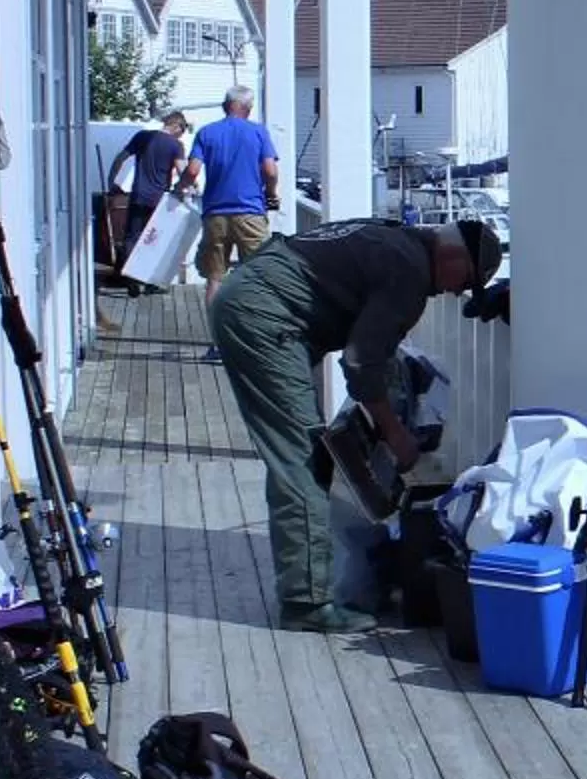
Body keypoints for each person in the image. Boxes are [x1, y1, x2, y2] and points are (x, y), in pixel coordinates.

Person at [208, 217, 503, 632]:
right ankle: (306, 602)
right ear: (453, 256)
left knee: (298, 449)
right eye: (466, 281)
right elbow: (361, 361)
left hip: (255, 301)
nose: (456, 292)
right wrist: (395, 433)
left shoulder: (397, 237)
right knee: (302, 457)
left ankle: (312, 579)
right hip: (265, 319)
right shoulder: (410, 270)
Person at [183, 87, 278, 295]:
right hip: (250, 211)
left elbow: (192, 171)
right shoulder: (258, 132)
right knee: (258, 276)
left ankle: (214, 317)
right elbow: (270, 171)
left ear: (225, 106)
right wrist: (271, 194)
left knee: (214, 278)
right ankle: (250, 316)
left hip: (215, 213)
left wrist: (178, 188)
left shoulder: (206, 132)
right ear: (248, 108)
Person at [104, 108, 189, 276]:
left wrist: (111, 181)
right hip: (160, 200)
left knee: (132, 236)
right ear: (177, 126)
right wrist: (187, 188)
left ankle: (128, 277)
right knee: (154, 240)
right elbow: (183, 172)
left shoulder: (142, 137)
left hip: (138, 195)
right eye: (182, 131)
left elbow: (121, 157)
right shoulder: (176, 145)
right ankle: (146, 277)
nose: (181, 136)